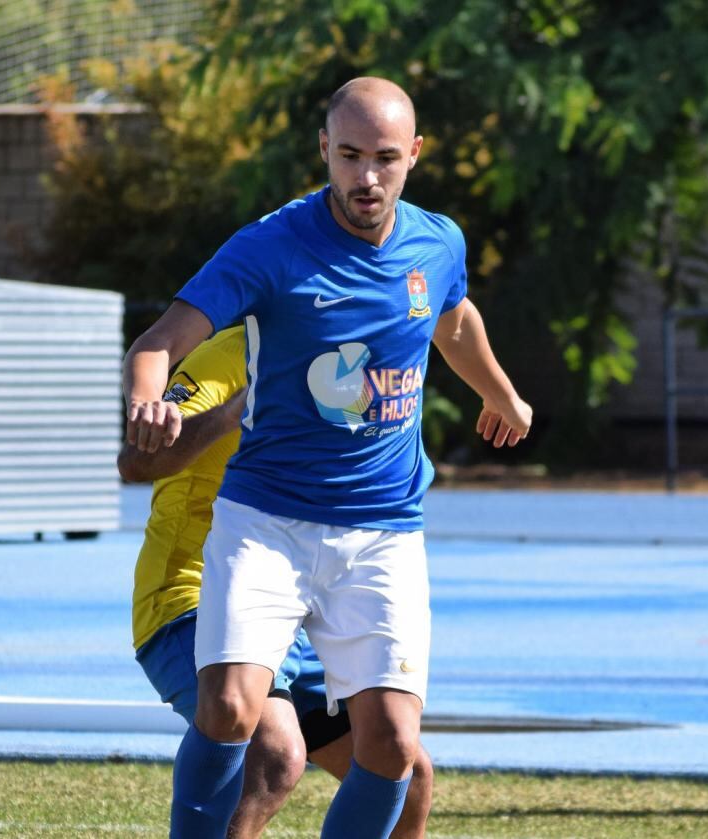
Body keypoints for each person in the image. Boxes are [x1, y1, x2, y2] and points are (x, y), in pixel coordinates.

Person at [124, 76, 532, 839]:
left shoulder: (438, 241)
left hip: (382, 531)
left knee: (396, 747)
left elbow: (453, 319)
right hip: (267, 522)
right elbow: (158, 343)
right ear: (323, 150)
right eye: (349, 156)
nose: (366, 177)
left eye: (385, 158)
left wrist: (502, 394)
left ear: (414, 154)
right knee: (234, 708)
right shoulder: (269, 247)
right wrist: (150, 398)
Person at [121, 324, 434, 838]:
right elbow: (138, 461)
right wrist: (236, 410)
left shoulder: (351, 362)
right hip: (193, 597)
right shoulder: (221, 360)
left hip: (297, 607)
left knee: (406, 771)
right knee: (275, 754)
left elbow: (456, 318)